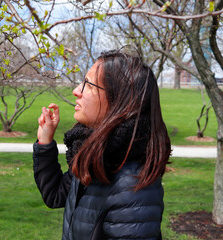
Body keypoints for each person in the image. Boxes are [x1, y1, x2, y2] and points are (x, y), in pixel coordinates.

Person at [32, 49, 171, 240]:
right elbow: (55, 195)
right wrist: (45, 142)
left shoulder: (132, 186)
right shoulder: (95, 154)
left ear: (120, 101)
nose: (76, 91)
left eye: (88, 85)